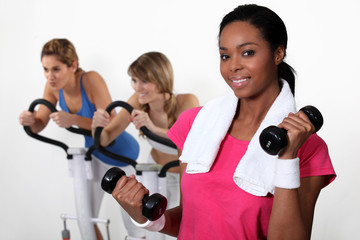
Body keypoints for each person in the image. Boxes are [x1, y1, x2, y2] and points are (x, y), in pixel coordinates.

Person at [106, 4, 336, 240]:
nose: (233, 66)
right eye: (225, 55)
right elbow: (191, 219)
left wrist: (287, 158)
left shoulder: (308, 148)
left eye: (248, 52)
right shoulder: (194, 125)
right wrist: (144, 217)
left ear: (278, 54)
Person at [18, 38, 140, 240]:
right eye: (45, 69)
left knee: (135, 225)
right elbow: (39, 123)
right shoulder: (52, 87)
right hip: (94, 155)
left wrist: (73, 119)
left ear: (73, 65)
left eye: (56, 69)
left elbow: (110, 124)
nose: (50, 76)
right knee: (86, 220)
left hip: (121, 154)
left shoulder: (91, 79)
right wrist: (29, 120)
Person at [92, 51, 199, 239]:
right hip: (154, 170)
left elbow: (190, 142)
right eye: (134, 80)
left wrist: (153, 128)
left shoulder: (186, 101)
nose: (137, 87)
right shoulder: (138, 101)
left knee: (175, 226)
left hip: (179, 174)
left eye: (144, 81)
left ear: (161, 79)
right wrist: (97, 126)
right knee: (145, 226)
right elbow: (105, 139)